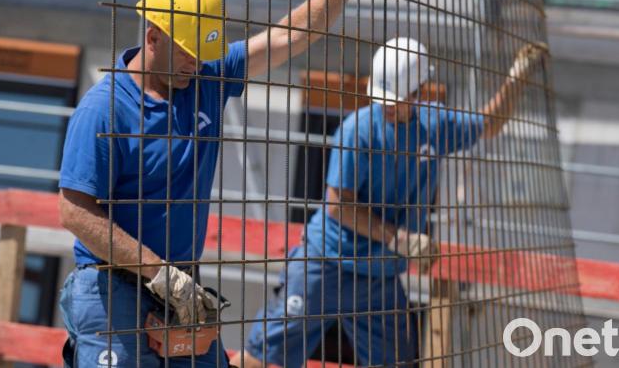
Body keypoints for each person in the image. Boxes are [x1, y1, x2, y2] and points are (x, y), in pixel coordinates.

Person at [55, 0, 401, 368]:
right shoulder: (103, 109)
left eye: (201, 52)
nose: (195, 62)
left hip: (179, 286)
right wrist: (157, 272)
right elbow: (74, 211)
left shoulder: (205, 81)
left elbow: (288, 35)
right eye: (186, 52)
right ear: (153, 36)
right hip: (110, 286)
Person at [232, 37, 547, 368]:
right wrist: (401, 238)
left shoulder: (435, 125)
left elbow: (490, 123)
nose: (389, 106)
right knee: (264, 356)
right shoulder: (358, 130)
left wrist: (517, 76)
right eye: (384, 98)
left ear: (419, 91)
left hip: (380, 276)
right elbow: (338, 205)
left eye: (398, 99)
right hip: (327, 263)